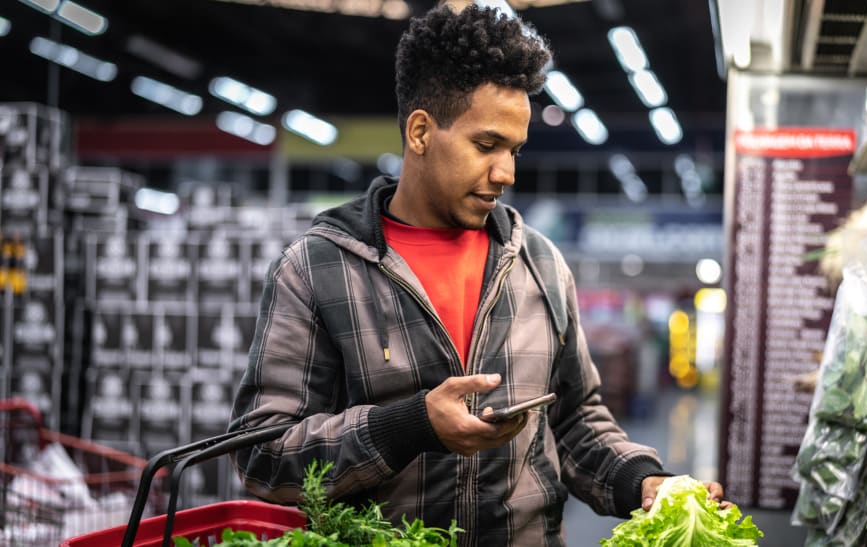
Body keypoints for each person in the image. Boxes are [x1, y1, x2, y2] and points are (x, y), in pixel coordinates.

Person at [228, 3, 725, 545]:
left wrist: (643, 480)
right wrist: (411, 425)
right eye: (486, 145)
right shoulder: (319, 268)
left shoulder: (539, 264)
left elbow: (576, 418)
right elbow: (263, 456)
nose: (506, 172)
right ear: (420, 132)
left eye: (514, 150)